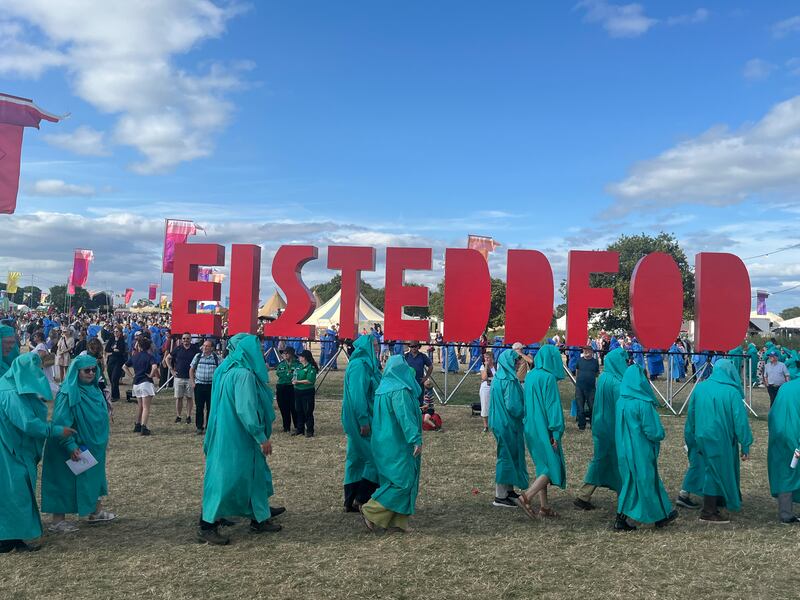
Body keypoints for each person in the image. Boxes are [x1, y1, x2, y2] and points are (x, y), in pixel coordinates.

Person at [198, 333, 283, 545]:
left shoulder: (224, 369)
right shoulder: (243, 374)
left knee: (253, 474)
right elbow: (246, 410)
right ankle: (207, 524)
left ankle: (259, 515)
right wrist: (260, 436)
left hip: (223, 432)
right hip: (238, 436)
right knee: (227, 478)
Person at [0, 353, 76, 552]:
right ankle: (8, 539)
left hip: (14, 449)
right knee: (16, 492)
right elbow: (28, 424)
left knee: (15, 492)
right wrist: (57, 430)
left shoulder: (12, 386)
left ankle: (11, 537)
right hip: (11, 451)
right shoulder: (9, 393)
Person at [41, 355, 116, 532]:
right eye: (86, 370)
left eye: (93, 369)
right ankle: (57, 521)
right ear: (76, 372)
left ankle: (96, 512)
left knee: (94, 477)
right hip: (71, 445)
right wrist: (70, 445)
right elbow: (61, 422)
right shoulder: (68, 393)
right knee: (63, 481)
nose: (91, 373)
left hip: (92, 446)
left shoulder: (94, 390)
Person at [680, 359, 752, 524]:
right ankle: (708, 511)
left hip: (701, 437)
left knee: (710, 469)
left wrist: (690, 438)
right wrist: (745, 444)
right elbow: (740, 421)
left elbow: (691, 416)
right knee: (716, 471)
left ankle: (718, 500)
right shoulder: (731, 392)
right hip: (721, 438)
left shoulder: (700, 388)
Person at [359, 355, 422, 533]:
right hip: (398, 442)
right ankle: (370, 510)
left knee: (391, 479)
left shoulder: (382, 389)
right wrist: (415, 439)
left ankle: (397, 521)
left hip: (382, 441)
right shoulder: (400, 391)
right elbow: (405, 418)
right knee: (403, 481)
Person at [615, 364, 677, 531]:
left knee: (633, 481)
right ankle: (627, 519)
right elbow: (653, 430)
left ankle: (661, 515)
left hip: (624, 449)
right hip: (640, 449)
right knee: (644, 481)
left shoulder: (621, 401)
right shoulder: (643, 403)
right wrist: (660, 434)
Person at [574, 347, 627, 511]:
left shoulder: (604, 377)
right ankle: (623, 496)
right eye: (624, 360)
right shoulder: (617, 383)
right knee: (616, 461)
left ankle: (584, 495)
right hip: (612, 427)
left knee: (601, 460)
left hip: (600, 425)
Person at [516, 344, 566, 519]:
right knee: (552, 467)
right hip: (544, 427)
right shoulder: (548, 378)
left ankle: (544, 507)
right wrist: (556, 432)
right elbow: (553, 407)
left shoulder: (531, 376)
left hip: (530, 426)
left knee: (542, 466)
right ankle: (527, 497)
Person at [342, 334, 382, 513]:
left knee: (355, 458)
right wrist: (363, 420)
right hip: (360, 419)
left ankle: (349, 501)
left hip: (358, 418)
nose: (376, 348)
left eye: (377, 344)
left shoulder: (368, 365)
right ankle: (362, 498)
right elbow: (358, 395)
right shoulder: (360, 366)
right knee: (374, 458)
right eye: (373, 345)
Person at [489, 349, 528, 508]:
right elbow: (513, 406)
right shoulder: (509, 381)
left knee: (509, 455)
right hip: (508, 424)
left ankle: (509, 490)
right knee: (507, 456)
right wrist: (526, 410)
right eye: (516, 361)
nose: (518, 363)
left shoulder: (498, 378)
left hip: (499, 422)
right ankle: (500, 496)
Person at [767, 376, 800, 523]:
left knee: (784, 472)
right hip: (795, 434)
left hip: (779, 435)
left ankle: (785, 512)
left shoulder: (786, 387)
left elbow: (773, 412)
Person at [125, 337, 159, 436]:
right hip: (146, 383)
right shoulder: (150, 357)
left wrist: (131, 376)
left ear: (139, 346)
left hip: (136, 383)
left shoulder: (135, 356)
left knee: (140, 406)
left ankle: (137, 424)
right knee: (146, 407)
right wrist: (151, 375)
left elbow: (124, 366)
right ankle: (144, 427)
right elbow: (155, 366)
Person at [167, 332, 200, 424]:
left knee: (189, 397)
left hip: (190, 377)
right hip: (179, 377)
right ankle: (178, 416)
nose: (186, 340)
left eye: (187, 338)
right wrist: (171, 370)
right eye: (184, 338)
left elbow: (201, 358)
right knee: (179, 397)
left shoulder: (195, 349)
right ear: (182, 339)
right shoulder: (177, 349)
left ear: (190, 339)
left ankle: (188, 416)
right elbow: (168, 358)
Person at [190, 339, 220, 435]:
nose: (205, 348)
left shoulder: (216, 358)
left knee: (210, 407)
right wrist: (192, 382)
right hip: (199, 385)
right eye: (204, 345)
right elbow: (191, 369)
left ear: (212, 348)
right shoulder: (198, 356)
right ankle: (199, 427)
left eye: (207, 346)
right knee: (199, 407)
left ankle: (209, 427)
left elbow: (222, 370)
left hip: (211, 386)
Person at [292, 350, 318, 437]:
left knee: (307, 411)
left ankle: (310, 430)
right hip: (297, 391)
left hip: (307, 391)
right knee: (298, 410)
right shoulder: (298, 367)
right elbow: (295, 375)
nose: (299, 358)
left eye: (301, 356)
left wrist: (298, 381)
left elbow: (310, 380)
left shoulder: (311, 368)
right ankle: (300, 429)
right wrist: (294, 380)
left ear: (305, 358)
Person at [575, 345, 599, 431]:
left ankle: (593, 425)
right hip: (580, 388)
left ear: (592, 352)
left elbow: (596, 373)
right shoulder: (579, 361)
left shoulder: (595, 362)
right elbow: (577, 372)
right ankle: (582, 426)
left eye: (588, 350)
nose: (586, 352)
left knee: (592, 407)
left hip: (591, 388)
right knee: (580, 408)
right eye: (584, 350)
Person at [274, 347, 298, 433]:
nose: (284, 355)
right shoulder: (281, 364)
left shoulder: (297, 364)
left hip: (292, 387)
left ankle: (297, 426)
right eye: (284, 353)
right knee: (283, 408)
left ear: (291, 354)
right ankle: (286, 427)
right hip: (281, 387)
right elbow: (279, 374)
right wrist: (288, 375)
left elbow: (294, 376)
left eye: (286, 353)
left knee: (294, 408)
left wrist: (288, 375)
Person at [105, 326, 127, 401]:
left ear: (120, 332)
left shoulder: (121, 340)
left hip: (118, 361)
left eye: (117, 331)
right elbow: (107, 349)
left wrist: (114, 351)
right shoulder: (112, 339)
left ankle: (115, 396)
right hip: (111, 360)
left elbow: (122, 351)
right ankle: (114, 393)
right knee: (111, 377)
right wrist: (113, 350)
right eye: (114, 331)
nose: (115, 333)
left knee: (115, 378)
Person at [479, 351, 496, 432]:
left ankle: (494, 424)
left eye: (488, 358)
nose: (486, 359)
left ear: (492, 358)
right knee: (485, 406)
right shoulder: (483, 367)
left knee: (496, 405)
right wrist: (486, 366)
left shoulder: (497, 366)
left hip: (496, 387)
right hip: (486, 386)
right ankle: (486, 426)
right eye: (485, 358)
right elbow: (484, 377)